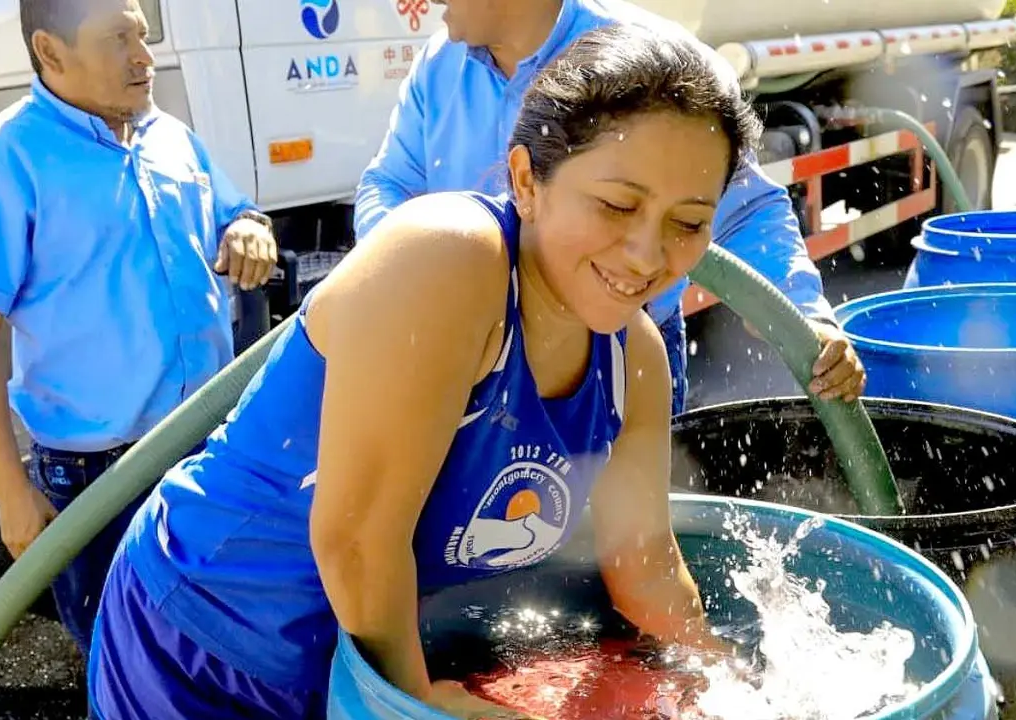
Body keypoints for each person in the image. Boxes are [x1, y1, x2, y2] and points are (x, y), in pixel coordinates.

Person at [88, 23, 760, 720]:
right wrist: (415, 702)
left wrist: (730, 679)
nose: (648, 254)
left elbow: (644, 560)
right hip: (211, 640)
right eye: (618, 205)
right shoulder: (450, 261)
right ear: (527, 181)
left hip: (356, 648)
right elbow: (355, 539)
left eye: (688, 223)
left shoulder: (635, 360)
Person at [0, 0, 277, 656]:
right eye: (120, 39)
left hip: (209, 451)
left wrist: (248, 226)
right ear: (51, 53)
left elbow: (233, 211)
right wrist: (10, 490)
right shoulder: (5, 159)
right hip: (98, 482)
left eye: (143, 35)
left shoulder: (169, 136)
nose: (145, 56)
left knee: (226, 656)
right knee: (129, 667)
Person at [355, 0, 866, 416]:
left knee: (625, 528)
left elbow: (745, 210)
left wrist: (802, 318)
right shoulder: (439, 64)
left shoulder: (647, 65)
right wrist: (406, 280)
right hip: (474, 344)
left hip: (621, 342)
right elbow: (391, 182)